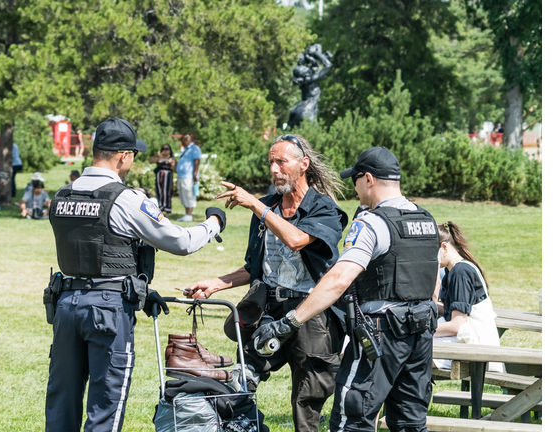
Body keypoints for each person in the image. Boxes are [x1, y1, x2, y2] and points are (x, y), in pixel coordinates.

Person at [45, 117, 228, 432]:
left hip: (66, 304)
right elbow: (181, 242)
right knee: (106, 407)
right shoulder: (125, 199)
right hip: (108, 310)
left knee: (62, 402)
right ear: (123, 156)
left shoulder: (62, 195)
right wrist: (214, 222)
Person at [252, 146, 440, 432]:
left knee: (352, 420)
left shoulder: (373, 222)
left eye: (355, 180)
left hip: (381, 336)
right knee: (410, 423)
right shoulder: (426, 221)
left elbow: (338, 279)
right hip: (422, 334)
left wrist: (290, 321)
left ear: (368, 179)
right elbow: (432, 282)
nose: (354, 188)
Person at [185, 134, 348, 432]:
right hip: (268, 310)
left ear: (303, 164)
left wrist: (256, 206)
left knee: (306, 402)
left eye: (281, 162)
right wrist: (216, 284)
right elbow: (254, 266)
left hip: (312, 316)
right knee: (241, 384)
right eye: (271, 162)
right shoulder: (266, 207)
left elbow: (296, 239)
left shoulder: (325, 210)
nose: (273, 169)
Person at [433, 221, 504, 373]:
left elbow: (457, 325)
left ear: (444, 247)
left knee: (413, 348)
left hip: (477, 347)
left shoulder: (460, 273)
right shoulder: (459, 268)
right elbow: (454, 309)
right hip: (473, 341)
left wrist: (422, 330)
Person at [176, 133, 201, 221]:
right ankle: (186, 214)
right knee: (184, 195)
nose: (181, 142)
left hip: (189, 176)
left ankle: (189, 215)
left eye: (182, 140)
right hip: (182, 176)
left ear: (187, 140)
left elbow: (196, 161)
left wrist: (195, 174)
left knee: (189, 194)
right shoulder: (186, 149)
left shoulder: (194, 148)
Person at [149, 143, 177, 215]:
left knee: (167, 193)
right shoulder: (159, 157)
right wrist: (157, 156)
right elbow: (150, 161)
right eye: (163, 149)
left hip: (167, 176)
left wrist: (172, 164)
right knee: (159, 192)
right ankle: (160, 210)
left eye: (167, 149)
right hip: (159, 177)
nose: (165, 150)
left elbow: (174, 170)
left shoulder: (172, 159)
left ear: (170, 150)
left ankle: (167, 212)